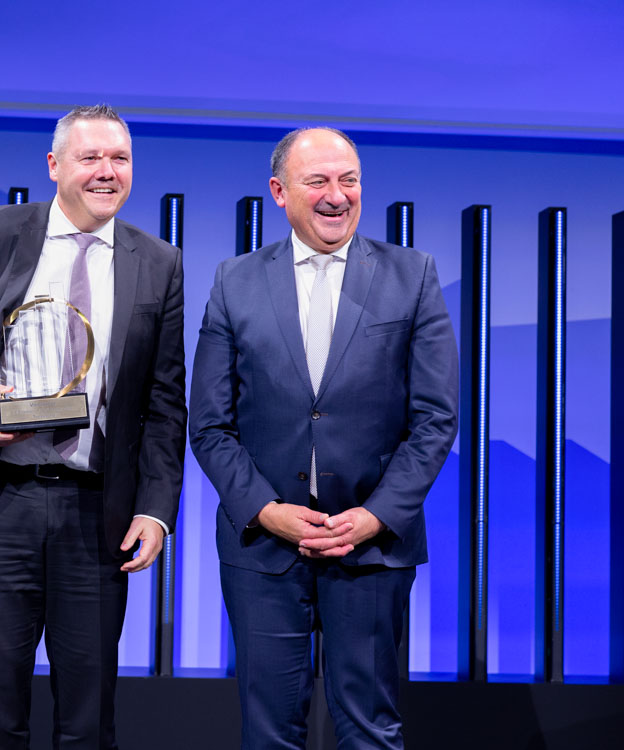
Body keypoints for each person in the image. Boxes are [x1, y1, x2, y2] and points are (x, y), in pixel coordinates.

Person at [0, 104, 186, 748]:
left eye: (120, 159)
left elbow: (165, 400)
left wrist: (155, 511)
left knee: (89, 718)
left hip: (99, 513)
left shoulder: (160, 261)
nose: (107, 171)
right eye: (90, 157)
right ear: (54, 165)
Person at [189, 127, 458, 749]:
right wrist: (266, 510)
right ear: (280, 191)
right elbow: (209, 423)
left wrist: (375, 516)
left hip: (371, 549)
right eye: (318, 181)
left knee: (369, 729)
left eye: (349, 180)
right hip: (263, 548)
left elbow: (436, 418)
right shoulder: (233, 281)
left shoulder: (412, 275)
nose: (337, 195)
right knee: (268, 732)